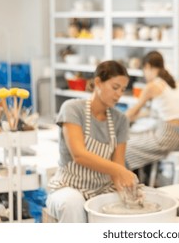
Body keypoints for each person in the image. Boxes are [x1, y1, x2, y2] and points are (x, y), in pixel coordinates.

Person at [46, 60, 138, 223]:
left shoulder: (120, 120)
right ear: (98, 82)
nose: (119, 94)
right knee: (73, 204)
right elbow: (79, 155)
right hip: (68, 186)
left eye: (123, 90)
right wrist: (120, 170)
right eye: (115, 87)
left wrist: (128, 195)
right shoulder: (72, 108)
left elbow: (117, 170)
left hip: (102, 189)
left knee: (136, 206)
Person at [124, 51, 179, 176]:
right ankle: (146, 177)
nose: (144, 75)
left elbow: (133, 111)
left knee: (125, 146)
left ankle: (131, 181)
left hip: (168, 137)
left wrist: (115, 121)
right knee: (138, 137)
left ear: (148, 66)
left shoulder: (152, 86)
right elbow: (161, 111)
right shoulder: (175, 82)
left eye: (144, 70)